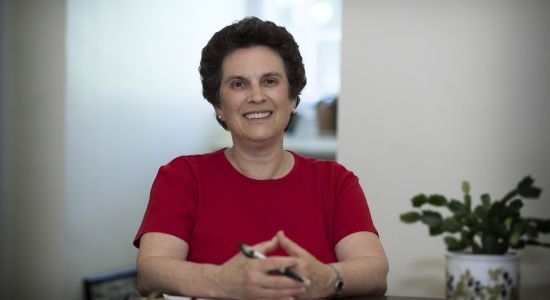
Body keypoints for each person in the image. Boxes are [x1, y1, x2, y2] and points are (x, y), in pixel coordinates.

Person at [133, 16, 388, 299]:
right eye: (239, 84)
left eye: (269, 81)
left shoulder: (335, 181)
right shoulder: (182, 176)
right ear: (219, 105)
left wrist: (328, 278)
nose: (256, 96)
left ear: (292, 99)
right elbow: (150, 273)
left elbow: (375, 271)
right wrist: (220, 281)